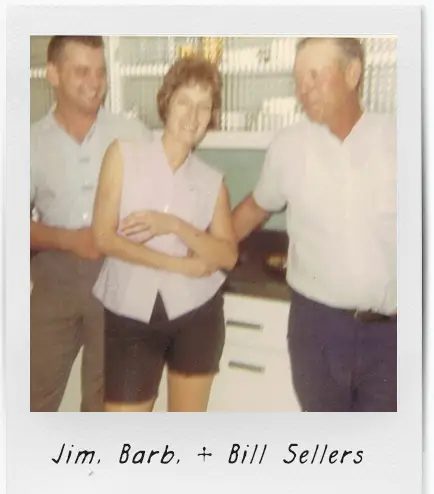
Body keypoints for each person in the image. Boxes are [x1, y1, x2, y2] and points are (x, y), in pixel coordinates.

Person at [232, 37, 397, 412]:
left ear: (352, 74)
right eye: (298, 79)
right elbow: (255, 208)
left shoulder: (400, 140)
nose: (302, 90)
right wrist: (203, 248)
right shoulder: (289, 146)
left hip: (391, 336)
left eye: (314, 76)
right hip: (316, 331)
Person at [92, 56, 238, 412]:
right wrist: (179, 263)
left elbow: (227, 255)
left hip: (196, 315)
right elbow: (103, 238)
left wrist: (174, 226)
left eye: (204, 107)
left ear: (211, 117)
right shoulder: (123, 156)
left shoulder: (212, 181)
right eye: (185, 102)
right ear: (166, 102)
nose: (193, 115)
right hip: (131, 314)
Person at [30, 35, 152, 412]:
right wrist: (69, 240)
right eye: (81, 71)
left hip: (118, 278)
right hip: (55, 279)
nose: (95, 82)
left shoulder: (133, 134)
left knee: (104, 403)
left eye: (100, 71)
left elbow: (164, 199)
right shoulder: (27, 143)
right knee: (33, 395)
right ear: (53, 73)